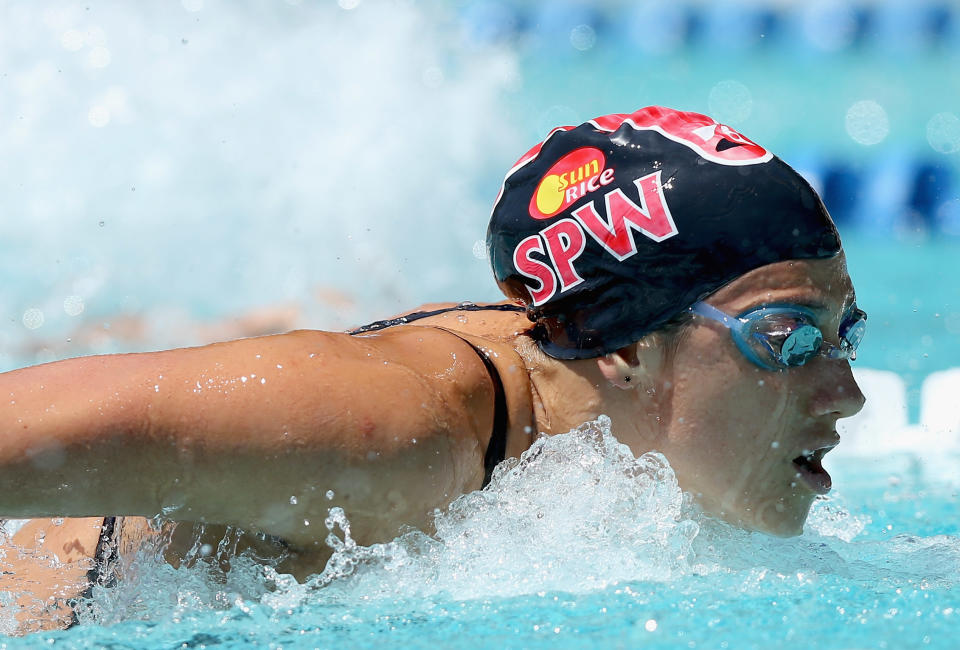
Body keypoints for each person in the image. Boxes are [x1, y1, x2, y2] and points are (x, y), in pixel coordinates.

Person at [0, 106, 866, 633]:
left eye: (844, 336)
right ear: (629, 347)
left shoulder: (588, 425)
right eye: (788, 340)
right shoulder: (391, 436)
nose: (848, 393)